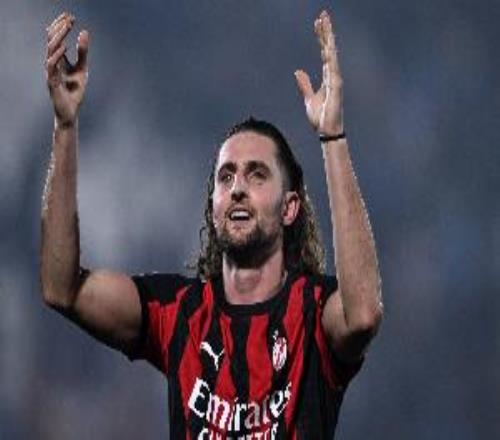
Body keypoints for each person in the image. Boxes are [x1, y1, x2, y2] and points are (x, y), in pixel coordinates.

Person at [41, 9, 383, 439]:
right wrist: (65, 125)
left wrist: (332, 137)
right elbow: (62, 289)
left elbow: (363, 315)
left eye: (257, 175)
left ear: (289, 208)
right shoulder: (179, 314)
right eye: (226, 176)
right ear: (213, 204)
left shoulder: (312, 312)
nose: (237, 188)